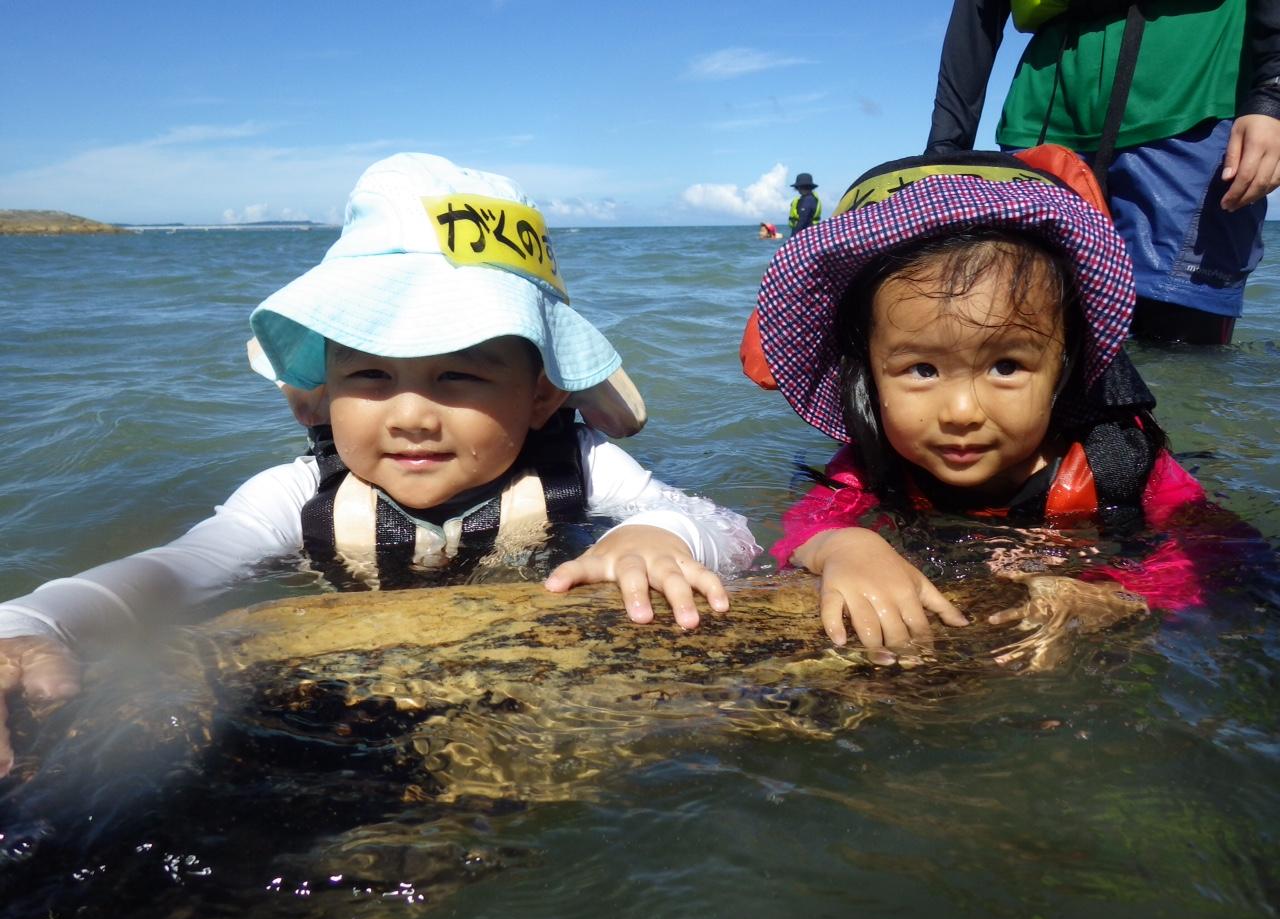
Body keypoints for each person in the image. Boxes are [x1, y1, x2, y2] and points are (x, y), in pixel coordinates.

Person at [0, 153, 761, 777]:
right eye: (370, 377)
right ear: (317, 399)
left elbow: (728, 530)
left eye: (459, 375)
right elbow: (170, 571)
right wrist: (34, 622)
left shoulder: (583, 466)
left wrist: (661, 533)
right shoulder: (297, 493)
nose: (410, 415)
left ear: (540, 396)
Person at [755, 151, 1237, 669]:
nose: (961, 411)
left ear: (1063, 365)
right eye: (921, 370)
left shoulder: (1119, 463)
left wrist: (1122, 595)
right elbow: (803, 529)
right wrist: (843, 547)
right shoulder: (873, 468)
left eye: (1006, 366)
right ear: (869, 376)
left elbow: (1216, 554)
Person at [926, 0, 1280, 345]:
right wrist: (944, 151)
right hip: (1042, 116)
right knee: (1022, 334)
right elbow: (977, 14)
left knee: (1180, 350)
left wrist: (1271, 93)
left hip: (1195, 97)